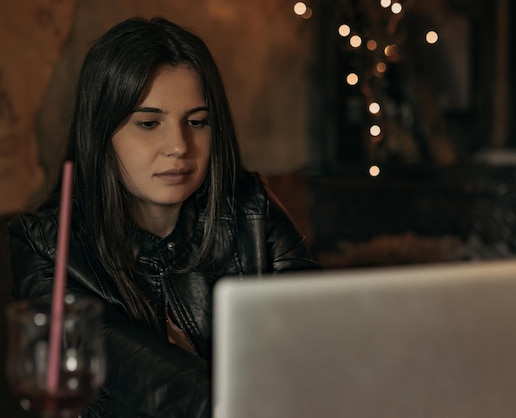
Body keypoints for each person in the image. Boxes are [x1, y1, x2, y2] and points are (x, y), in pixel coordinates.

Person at [8, 16, 319, 417]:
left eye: (197, 121)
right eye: (148, 123)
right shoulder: (45, 245)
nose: (178, 146)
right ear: (101, 132)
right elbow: (131, 368)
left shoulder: (250, 207)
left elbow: (318, 330)